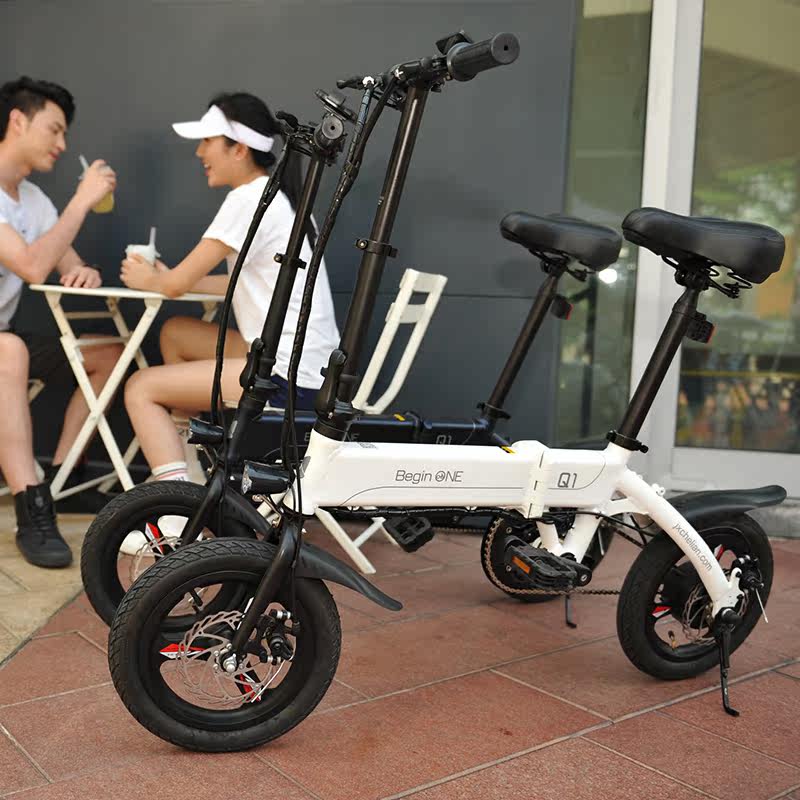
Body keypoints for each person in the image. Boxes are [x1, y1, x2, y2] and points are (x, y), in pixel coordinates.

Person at [120, 92, 339, 487]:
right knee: (176, 333)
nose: (200, 152)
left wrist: (152, 280)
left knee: (140, 388)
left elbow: (175, 286)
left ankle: (174, 500)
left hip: (287, 378)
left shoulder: (249, 199)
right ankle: (189, 470)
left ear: (238, 149)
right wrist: (168, 279)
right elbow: (238, 281)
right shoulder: (281, 198)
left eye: (208, 141)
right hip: (310, 369)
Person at [0, 76, 122, 568]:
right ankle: (31, 507)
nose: (62, 144)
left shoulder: (32, 199)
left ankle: (62, 478)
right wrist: (81, 201)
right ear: (17, 120)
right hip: (4, 346)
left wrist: (83, 269)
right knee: (9, 349)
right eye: (54, 130)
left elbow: (61, 258)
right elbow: (32, 265)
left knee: (109, 355)